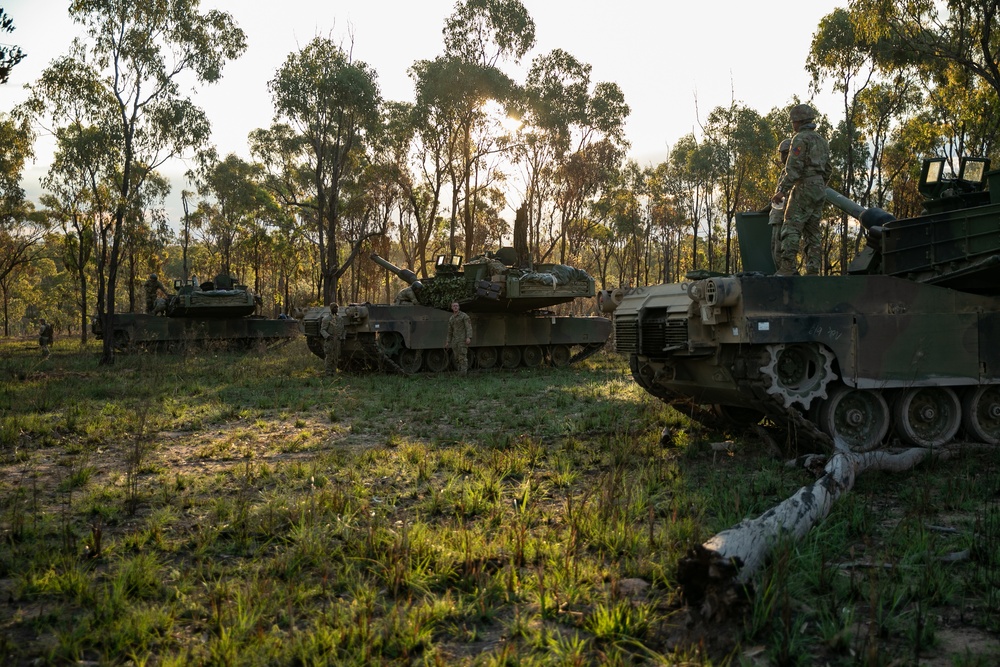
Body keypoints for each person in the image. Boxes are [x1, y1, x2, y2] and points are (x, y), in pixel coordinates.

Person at [771, 103, 832, 276]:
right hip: (819, 188)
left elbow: (794, 167)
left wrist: (782, 190)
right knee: (813, 231)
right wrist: (819, 185)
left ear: (798, 121)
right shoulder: (822, 141)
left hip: (804, 186)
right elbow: (828, 169)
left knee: (791, 226)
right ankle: (813, 269)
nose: (792, 124)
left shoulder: (800, 139)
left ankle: (787, 268)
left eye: (793, 121)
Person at [769, 138, 792, 269]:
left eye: (785, 153)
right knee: (775, 249)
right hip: (777, 217)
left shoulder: (793, 174)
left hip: (785, 218)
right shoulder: (785, 173)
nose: (783, 156)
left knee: (781, 251)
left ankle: (786, 277)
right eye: (781, 153)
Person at [445, 301, 473, 375]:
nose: (455, 307)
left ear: (459, 307)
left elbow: (468, 327)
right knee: (456, 358)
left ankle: (463, 374)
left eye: (457, 306)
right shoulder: (451, 318)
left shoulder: (464, 316)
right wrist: (448, 341)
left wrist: (468, 337)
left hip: (462, 340)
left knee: (462, 357)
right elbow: (450, 331)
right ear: (452, 308)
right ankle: (460, 371)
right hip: (455, 341)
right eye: (454, 306)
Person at [320, 303, 345, 376]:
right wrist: (327, 336)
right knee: (329, 357)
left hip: (337, 340)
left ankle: (334, 371)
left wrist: (342, 337)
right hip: (329, 340)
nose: (336, 309)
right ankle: (328, 372)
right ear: (331, 309)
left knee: (336, 356)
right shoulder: (326, 319)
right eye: (334, 307)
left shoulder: (340, 319)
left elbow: (343, 329)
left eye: (337, 307)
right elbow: (322, 330)